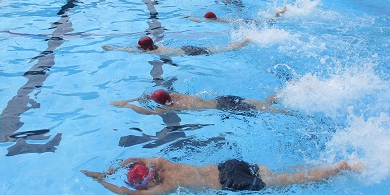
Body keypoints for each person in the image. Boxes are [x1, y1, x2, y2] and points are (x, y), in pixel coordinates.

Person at [81, 157, 363, 195]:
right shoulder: (163, 164)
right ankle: (323, 165)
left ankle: (338, 168)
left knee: (293, 181)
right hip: (227, 166)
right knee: (280, 172)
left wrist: (101, 180)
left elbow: (129, 194)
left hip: (230, 183)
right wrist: (110, 168)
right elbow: (135, 159)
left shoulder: (166, 186)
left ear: (150, 181)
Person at [111, 89, 286, 115]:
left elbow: (149, 113)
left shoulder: (175, 107)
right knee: (263, 103)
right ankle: (281, 93)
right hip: (222, 99)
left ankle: (288, 112)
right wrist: (127, 99)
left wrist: (128, 104)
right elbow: (149, 96)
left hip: (224, 106)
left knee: (264, 110)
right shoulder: (175, 95)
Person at [103, 35, 250, 56]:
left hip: (188, 53)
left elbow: (130, 51)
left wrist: (113, 48)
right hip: (186, 48)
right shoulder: (156, 46)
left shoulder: (150, 52)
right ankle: (241, 41)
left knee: (221, 50)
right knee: (216, 48)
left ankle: (242, 43)